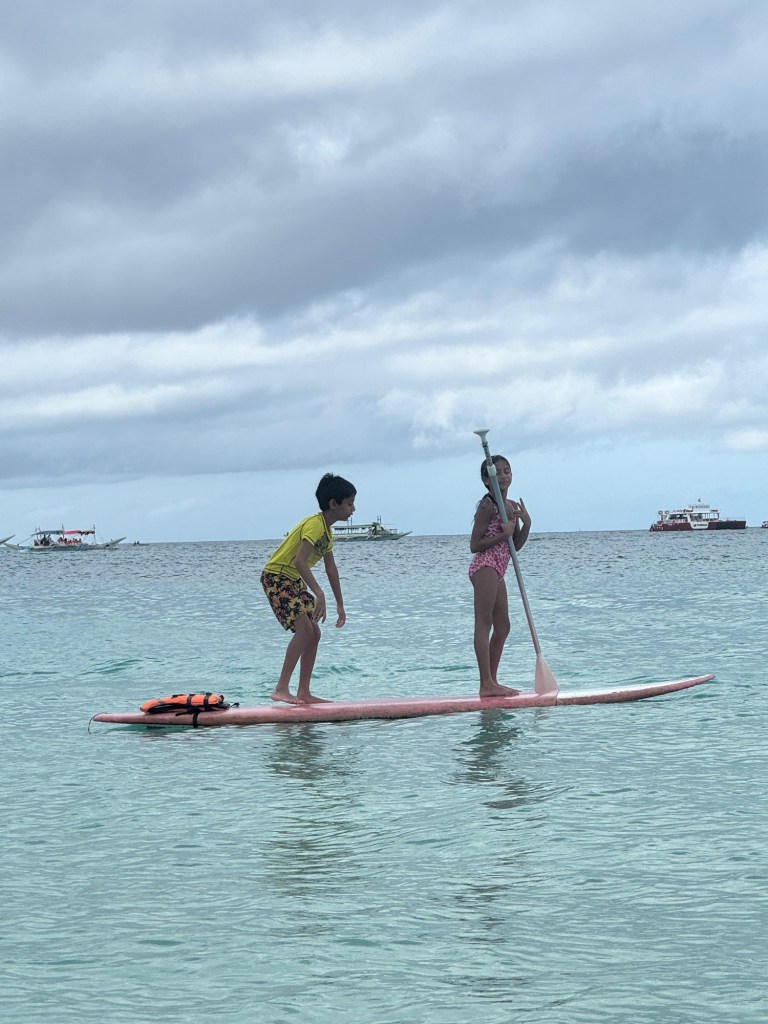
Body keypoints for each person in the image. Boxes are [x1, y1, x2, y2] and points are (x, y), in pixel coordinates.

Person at [261, 473, 356, 704]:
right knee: (304, 629)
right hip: (276, 576)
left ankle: (304, 691)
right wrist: (319, 594)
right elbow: (299, 561)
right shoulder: (315, 525)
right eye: (349, 503)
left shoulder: (327, 532)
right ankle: (281, 688)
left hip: (292, 580)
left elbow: (331, 569)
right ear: (333, 504)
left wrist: (340, 604)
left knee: (314, 632)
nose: (353, 509)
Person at [468, 455, 531, 697]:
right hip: (485, 566)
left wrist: (527, 524)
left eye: (507, 471)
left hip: (499, 568)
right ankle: (485, 683)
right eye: (498, 472)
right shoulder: (488, 505)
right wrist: (502, 535)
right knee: (484, 623)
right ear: (487, 480)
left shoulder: (511, 506)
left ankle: (492, 681)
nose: (503, 476)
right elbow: (475, 545)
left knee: (503, 626)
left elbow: (514, 546)